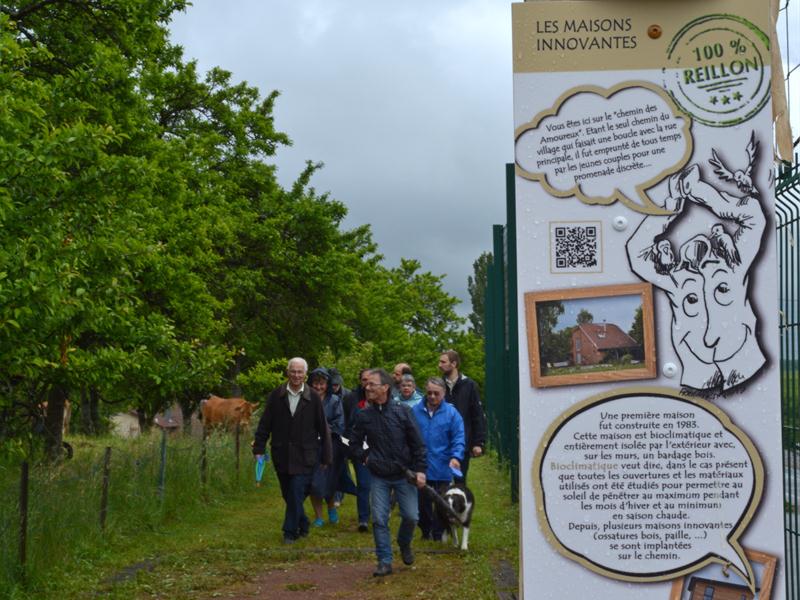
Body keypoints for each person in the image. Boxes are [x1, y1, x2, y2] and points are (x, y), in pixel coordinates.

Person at [626, 158, 766, 395]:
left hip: (745, 371)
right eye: (691, 298)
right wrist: (674, 203)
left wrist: (700, 192)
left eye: (722, 289)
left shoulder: (732, 264)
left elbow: (754, 215)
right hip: (698, 380)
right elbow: (636, 252)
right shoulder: (678, 280)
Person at [349, 368, 427, 577]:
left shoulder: (403, 412)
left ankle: (404, 542)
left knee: (411, 517)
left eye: (372, 384)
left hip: (404, 475)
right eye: (367, 384)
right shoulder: (364, 415)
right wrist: (366, 457)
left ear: (385, 387)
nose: (367, 387)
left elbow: (418, 444)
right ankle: (384, 561)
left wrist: (420, 471)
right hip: (379, 476)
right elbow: (354, 444)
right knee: (379, 520)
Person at [252, 357, 332, 544]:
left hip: (306, 456)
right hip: (282, 455)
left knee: (296, 492)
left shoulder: (313, 397)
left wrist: (327, 457)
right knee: (288, 494)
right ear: (287, 372)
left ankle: (289, 532)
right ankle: (303, 523)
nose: (296, 375)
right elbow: (265, 425)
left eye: (300, 372)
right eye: (293, 371)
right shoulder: (276, 395)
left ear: (305, 374)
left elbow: (323, 428)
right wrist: (259, 448)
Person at [412, 377, 464, 541]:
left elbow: (458, 437)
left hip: (443, 465)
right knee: (423, 503)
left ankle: (438, 533)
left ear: (443, 393)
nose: (433, 397)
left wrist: (456, 456)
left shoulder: (452, 413)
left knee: (441, 503)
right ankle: (425, 531)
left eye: (436, 393)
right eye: (429, 393)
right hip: (422, 465)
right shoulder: (415, 411)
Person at [438, 350, 487, 483]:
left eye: (443, 362)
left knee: (459, 479)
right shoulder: (438, 386)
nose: (439, 365)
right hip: (441, 443)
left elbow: (477, 415)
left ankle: (459, 503)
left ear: (453, 364)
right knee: (441, 482)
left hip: (462, 443)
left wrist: (478, 443)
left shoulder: (469, 385)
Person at [307, 367, 345, 527]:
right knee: (313, 483)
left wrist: (324, 429)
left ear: (327, 384)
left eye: (322, 383)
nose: (318, 387)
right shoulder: (305, 399)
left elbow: (340, 424)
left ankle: (331, 508)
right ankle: (318, 516)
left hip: (329, 447)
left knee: (329, 481)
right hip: (309, 447)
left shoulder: (335, 401)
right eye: (315, 383)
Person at [343, 369, 373, 532]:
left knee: (379, 485)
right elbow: (347, 425)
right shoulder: (352, 400)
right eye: (364, 380)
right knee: (363, 483)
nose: (367, 384)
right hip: (360, 449)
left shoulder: (383, 399)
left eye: (370, 380)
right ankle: (363, 519)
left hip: (380, 450)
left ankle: (380, 514)